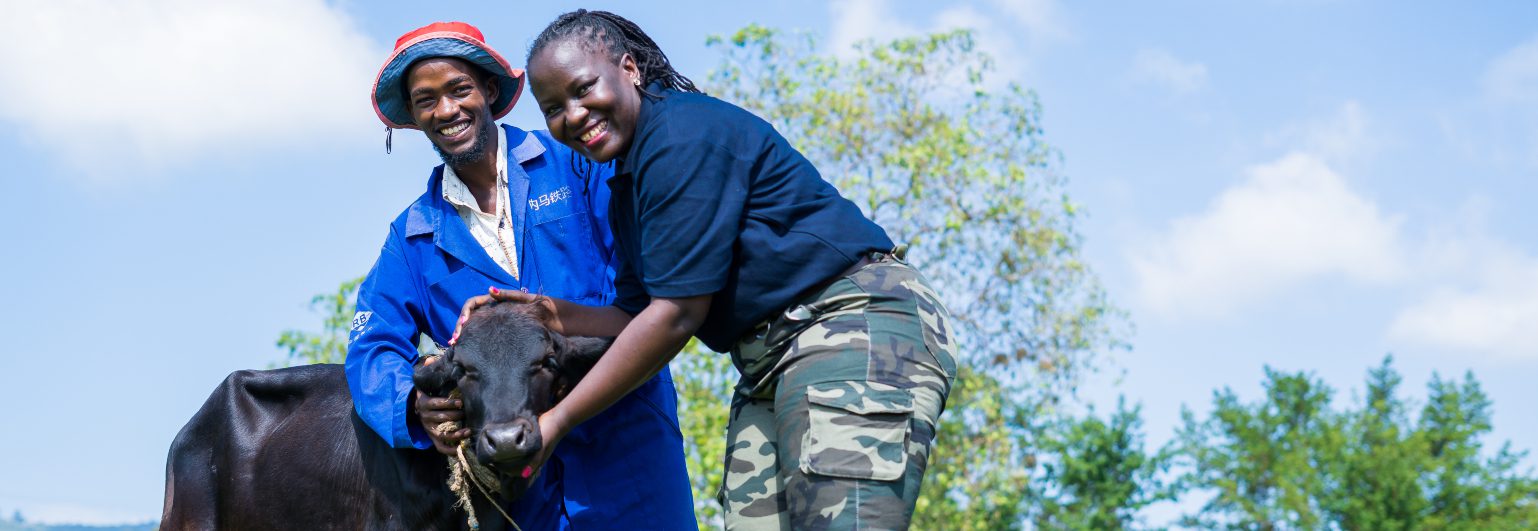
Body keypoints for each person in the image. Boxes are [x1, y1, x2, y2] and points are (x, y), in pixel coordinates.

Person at [458, 10, 959, 530]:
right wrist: (548, 314)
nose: (575, 114)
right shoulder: (626, 184)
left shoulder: (680, 138)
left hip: (849, 327)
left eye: (584, 89)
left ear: (629, 68)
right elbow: (635, 312)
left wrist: (556, 421)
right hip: (767, 362)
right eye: (554, 109)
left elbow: (675, 316)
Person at [345, 21, 695, 529]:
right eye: (426, 101)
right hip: (517, 490)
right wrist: (413, 403)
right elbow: (370, 345)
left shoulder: (577, 164)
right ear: (414, 118)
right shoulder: (412, 237)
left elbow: (653, 293)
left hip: (630, 449)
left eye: (459, 89)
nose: (446, 110)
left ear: (489, 90)